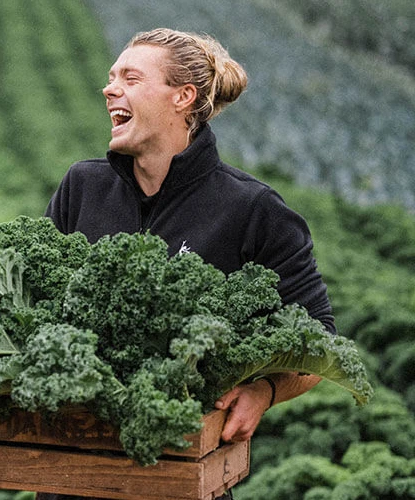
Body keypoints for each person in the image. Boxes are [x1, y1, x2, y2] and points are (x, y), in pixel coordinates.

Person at [41, 28, 332, 499]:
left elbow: (319, 341)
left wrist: (264, 392)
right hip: (71, 476)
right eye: (111, 78)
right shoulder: (82, 187)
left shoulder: (252, 209)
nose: (110, 89)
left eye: (130, 78)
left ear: (183, 97)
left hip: (180, 476)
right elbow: (35, 307)